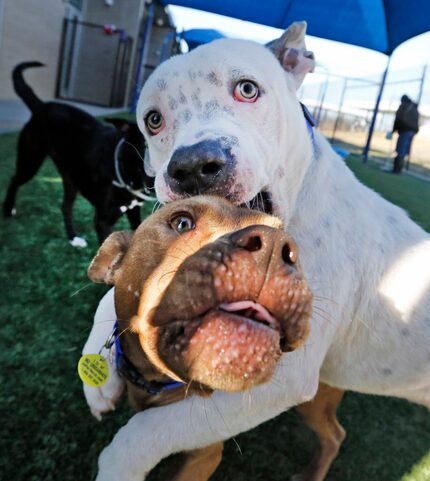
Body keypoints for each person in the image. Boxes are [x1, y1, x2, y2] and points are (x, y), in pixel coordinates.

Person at [391, 95, 420, 174]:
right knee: (405, 149)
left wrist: (393, 130)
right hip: (413, 131)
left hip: (405, 129)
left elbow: (398, 119)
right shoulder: (414, 108)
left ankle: (397, 169)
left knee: (400, 149)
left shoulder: (403, 106)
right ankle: (401, 167)